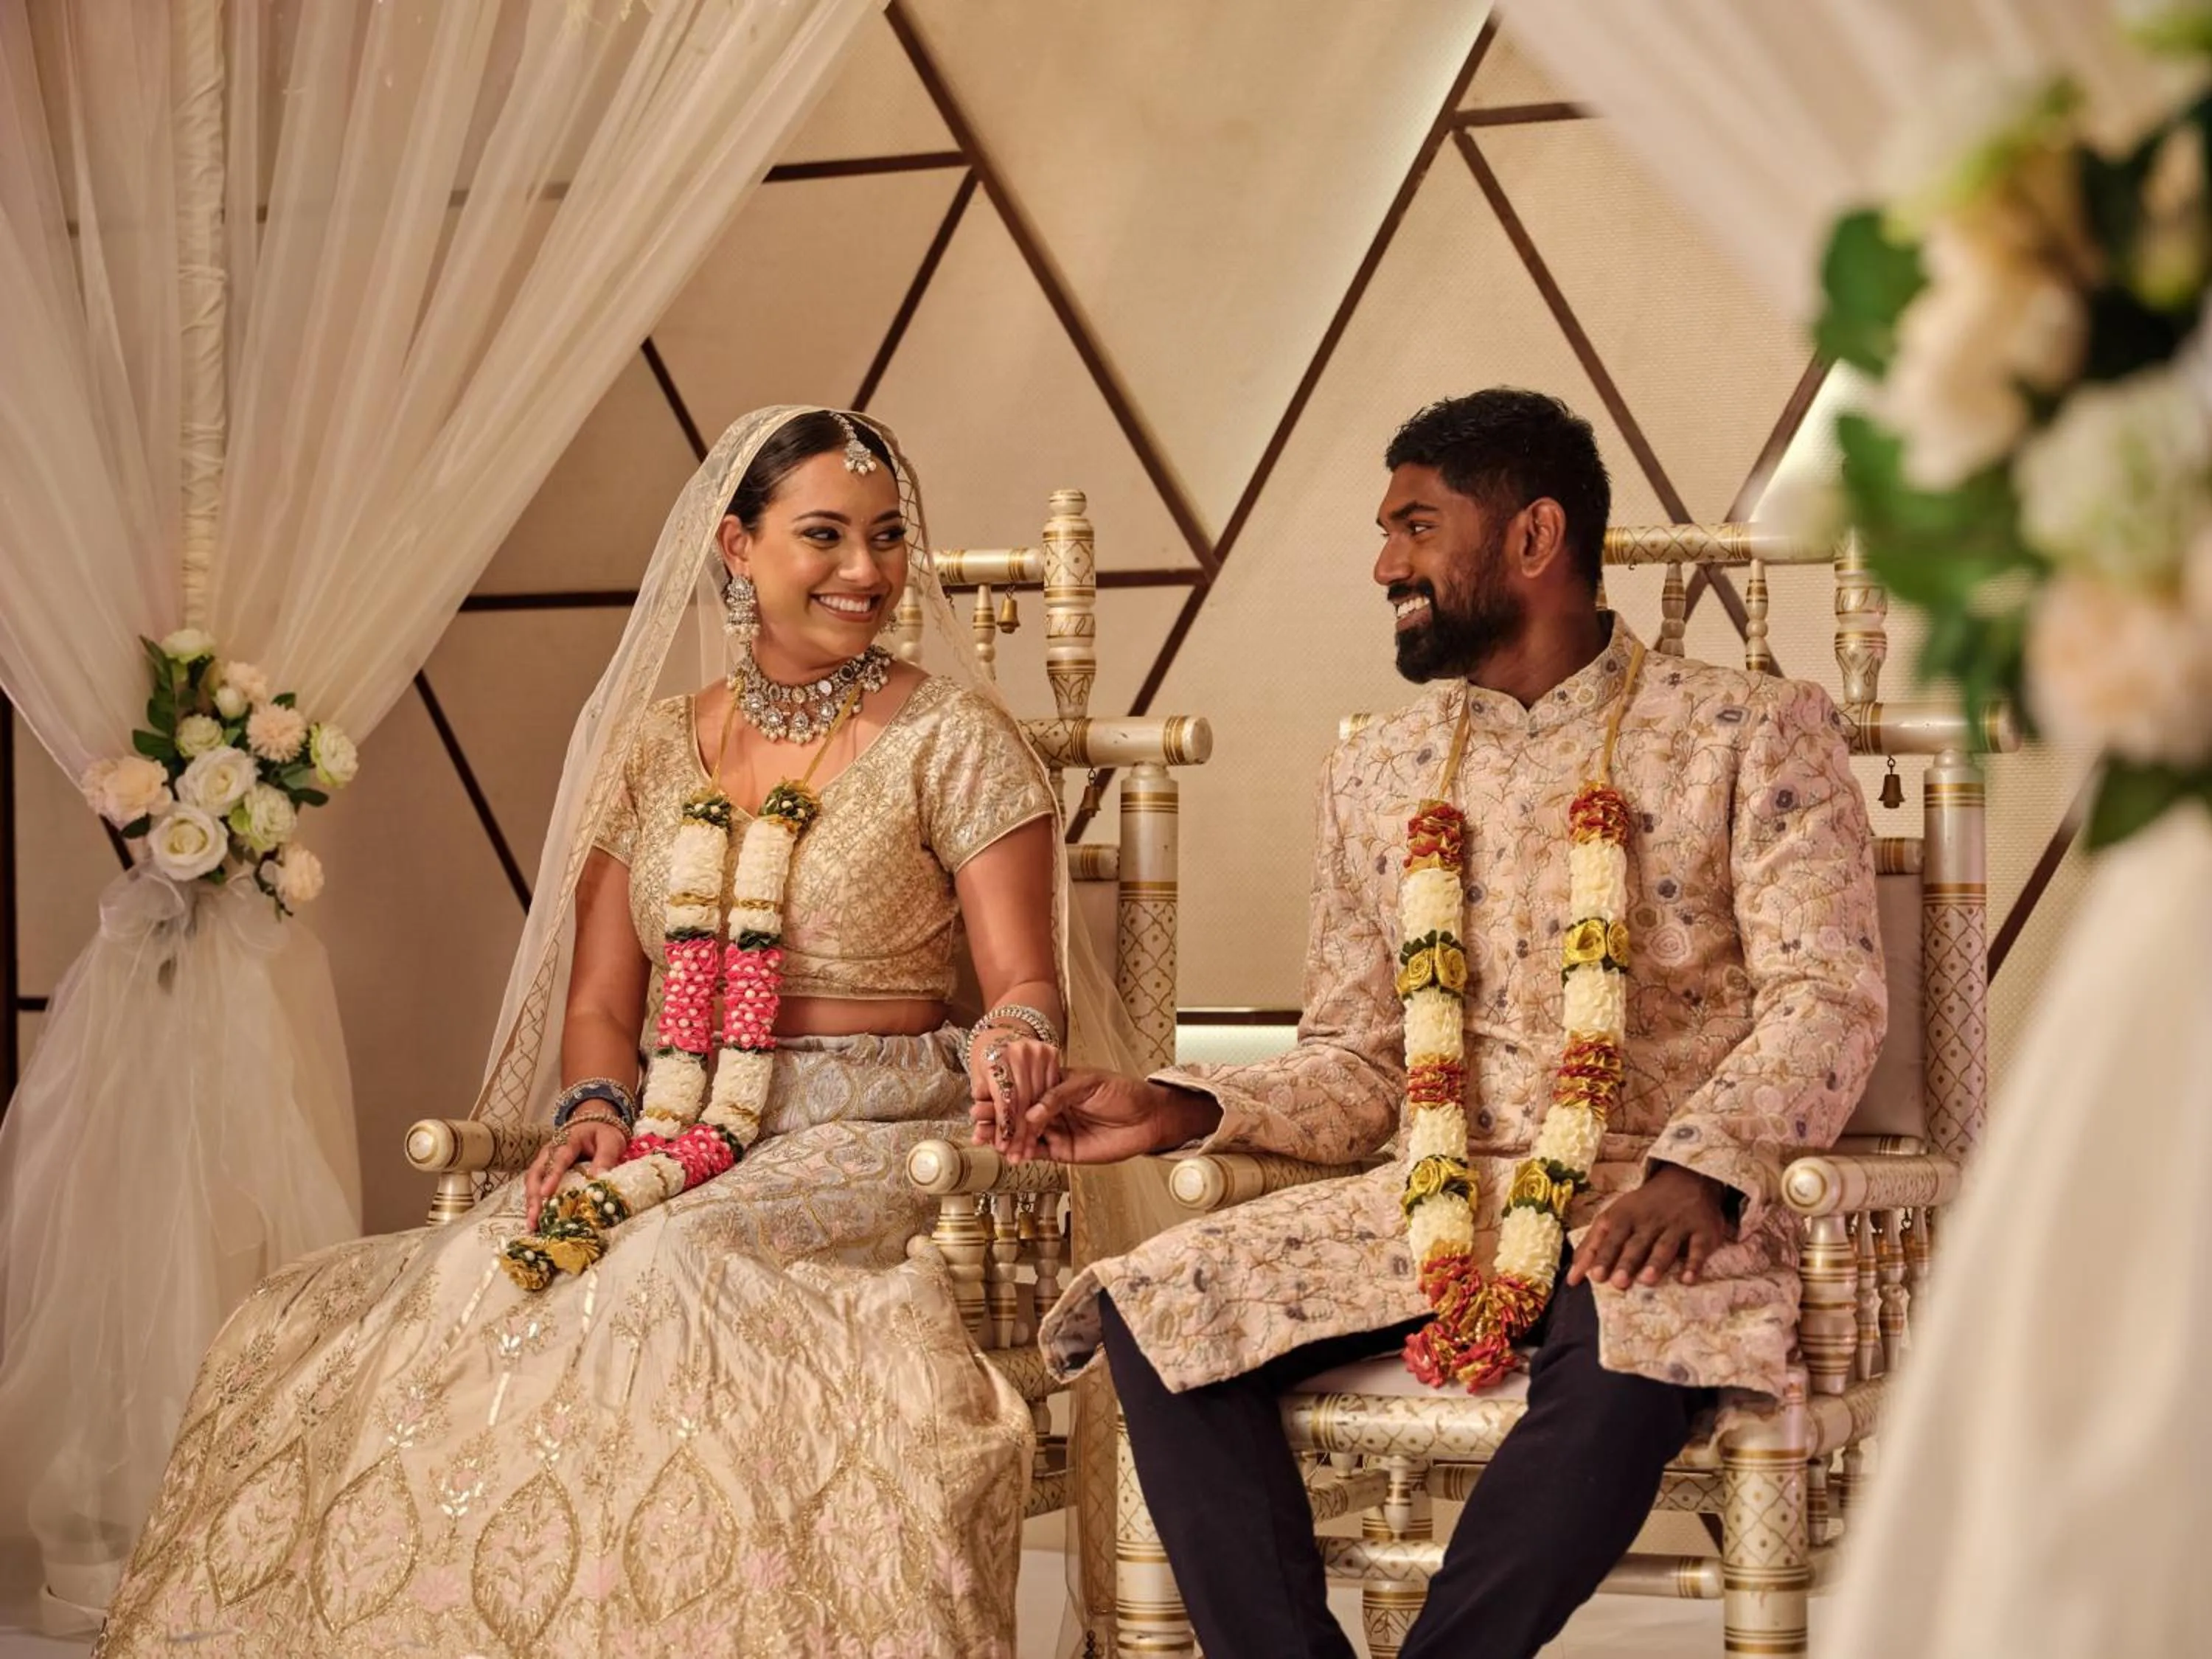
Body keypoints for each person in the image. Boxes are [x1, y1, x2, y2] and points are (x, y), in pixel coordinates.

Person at [94, 408, 1085, 1657]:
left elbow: (1023, 984)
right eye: (824, 536)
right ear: (735, 545)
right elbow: (606, 1000)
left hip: (870, 1122)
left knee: (668, 1276)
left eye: (888, 539)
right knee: (433, 1286)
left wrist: (1017, 1040)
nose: (867, 572)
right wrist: (597, 1111)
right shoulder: (655, 744)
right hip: (673, 1106)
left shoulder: (955, 741)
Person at [1026, 389, 1888, 1659]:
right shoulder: (1377, 771)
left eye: (1417, 527)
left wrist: (1700, 1169)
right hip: (1429, 1195)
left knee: (1630, 1339)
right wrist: (1183, 1104)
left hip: (1649, 1203)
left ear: (1534, 537)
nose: (1386, 564)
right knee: (1158, 1307)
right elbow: (1364, 1060)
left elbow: (1830, 993)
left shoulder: (1748, 731)